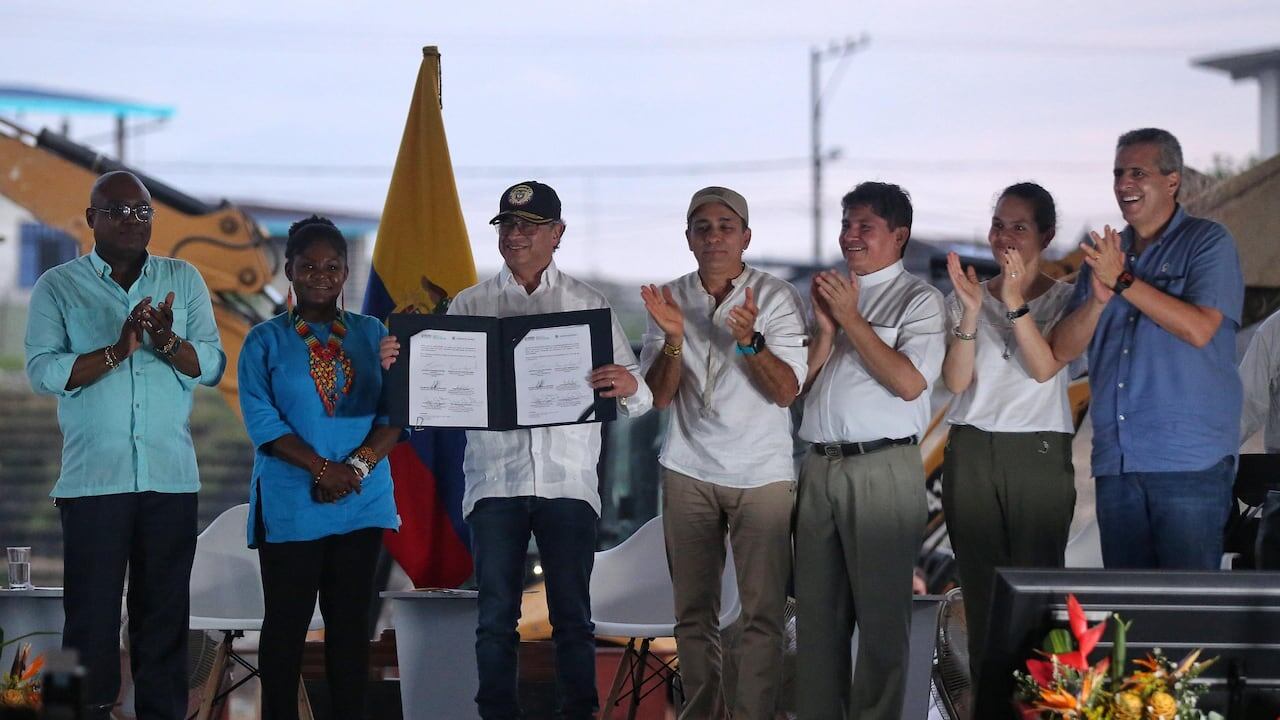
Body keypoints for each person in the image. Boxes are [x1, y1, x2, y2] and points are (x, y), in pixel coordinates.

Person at [24, 170, 225, 720]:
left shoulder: (181, 279)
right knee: (84, 618)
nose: (131, 220)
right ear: (91, 219)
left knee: (163, 617)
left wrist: (165, 340)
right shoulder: (58, 285)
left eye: (142, 211)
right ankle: (69, 713)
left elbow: (210, 364)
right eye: (116, 210)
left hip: (170, 480)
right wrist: (119, 348)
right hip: (94, 481)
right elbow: (43, 372)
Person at [450, 181, 652, 720]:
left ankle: (578, 714)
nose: (516, 235)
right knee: (494, 619)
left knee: (573, 618)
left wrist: (627, 385)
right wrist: (410, 365)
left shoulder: (589, 305)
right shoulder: (468, 305)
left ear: (557, 234)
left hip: (568, 482)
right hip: (496, 480)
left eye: (530, 226)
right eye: (508, 225)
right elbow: (441, 396)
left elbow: (639, 396)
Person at [639, 186, 807, 720]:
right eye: (702, 226)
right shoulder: (668, 299)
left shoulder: (776, 296)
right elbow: (659, 396)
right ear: (688, 238)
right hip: (688, 468)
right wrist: (671, 339)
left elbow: (785, 391)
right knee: (693, 614)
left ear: (746, 237)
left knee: (761, 615)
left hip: (762, 475)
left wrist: (751, 340)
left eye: (725, 226)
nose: (714, 236)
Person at [1049, 128, 1244, 570]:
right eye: (1118, 173)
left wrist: (1123, 281)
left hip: (1188, 464)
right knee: (1129, 618)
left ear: (1171, 181)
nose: (1123, 184)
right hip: (1117, 462)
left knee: (1185, 613)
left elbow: (1199, 330)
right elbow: (1062, 349)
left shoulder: (1208, 243)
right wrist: (1098, 301)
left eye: (1138, 172)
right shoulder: (1104, 257)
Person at [237, 216, 401, 720]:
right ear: (289, 269)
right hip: (291, 504)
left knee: (350, 631)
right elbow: (261, 418)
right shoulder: (263, 341)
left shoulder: (377, 334)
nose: (321, 274)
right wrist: (321, 468)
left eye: (332, 265)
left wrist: (354, 467)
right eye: (308, 266)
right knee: (285, 630)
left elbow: (397, 412)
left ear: (347, 271)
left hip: (362, 502)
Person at [795, 181, 945, 720]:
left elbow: (908, 384)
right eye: (846, 224)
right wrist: (827, 330)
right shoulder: (831, 296)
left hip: (882, 468)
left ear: (898, 235)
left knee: (882, 623)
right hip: (819, 468)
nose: (850, 236)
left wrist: (852, 320)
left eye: (865, 226)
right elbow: (798, 389)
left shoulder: (919, 300)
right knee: (816, 621)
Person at [941, 182, 1079, 686]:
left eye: (1019, 227)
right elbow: (955, 382)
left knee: (1040, 599)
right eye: (998, 224)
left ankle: (1043, 706)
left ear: (1047, 235)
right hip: (972, 448)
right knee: (982, 599)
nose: (1004, 237)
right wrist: (974, 312)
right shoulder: (967, 295)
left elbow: (1044, 368)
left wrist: (1015, 301)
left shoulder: (1067, 299)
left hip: (1037, 451)